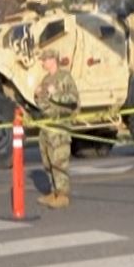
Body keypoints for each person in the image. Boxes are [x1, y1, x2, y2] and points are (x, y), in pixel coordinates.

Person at [33, 47, 79, 209]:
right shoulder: (46, 79)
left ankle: (63, 195)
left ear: (53, 60)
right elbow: (43, 103)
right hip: (46, 125)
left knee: (59, 160)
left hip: (59, 125)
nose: (42, 63)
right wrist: (37, 95)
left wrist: (55, 94)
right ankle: (54, 192)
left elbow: (74, 100)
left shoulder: (65, 77)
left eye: (45, 60)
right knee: (47, 160)